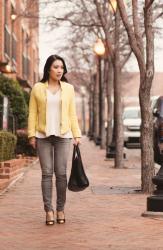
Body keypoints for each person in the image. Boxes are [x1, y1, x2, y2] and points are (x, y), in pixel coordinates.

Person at [28, 55, 81, 225]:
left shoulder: (68, 89)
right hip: (43, 135)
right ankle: (48, 211)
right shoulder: (37, 88)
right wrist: (31, 134)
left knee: (61, 174)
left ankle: (60, 209)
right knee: (46, 174)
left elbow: (72, 112)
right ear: (48, 69)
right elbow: (32, 113)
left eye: (62, 67)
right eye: (56, 67)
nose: (60, 70)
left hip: (63, 135)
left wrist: (76, 134)